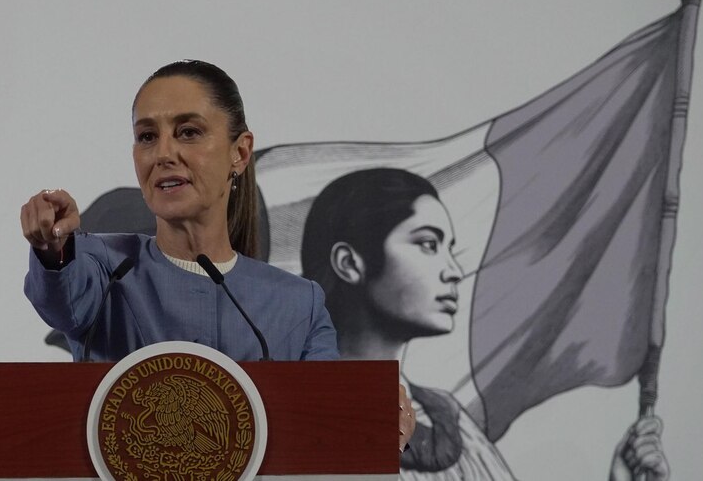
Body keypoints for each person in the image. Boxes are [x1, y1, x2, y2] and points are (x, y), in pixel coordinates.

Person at [20, 60, 414, 450]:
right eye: (146, 137)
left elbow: (326, 428)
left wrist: (375, 419)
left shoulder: (298, 305)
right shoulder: (103, 266)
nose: (163, 153)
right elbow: (62, 295)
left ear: (240, 153)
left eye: (188, 132)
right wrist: (52, 246)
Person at [301, 167, 669, 480]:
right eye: (428, 244)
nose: (454, 271)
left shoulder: (448, 419)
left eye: (449, 249)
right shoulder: (292, 414)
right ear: (349, 263)